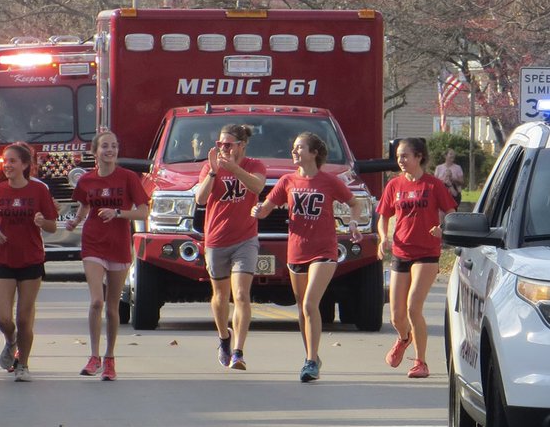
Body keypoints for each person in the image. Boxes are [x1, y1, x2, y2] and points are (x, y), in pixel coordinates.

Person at [253, 132, 365, 383]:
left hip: (324, 250)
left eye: (300, 147)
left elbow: (354, 203)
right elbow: (265, 209)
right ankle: (310, 356)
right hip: (296, 250)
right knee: (303, 309)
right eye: (293, 147)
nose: (294, 152)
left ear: (314, 152)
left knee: (309, 304)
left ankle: (312, 360)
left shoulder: (329, 181)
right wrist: (257, 210)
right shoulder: (287, 181)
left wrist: (354, 223)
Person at [67, 130, 148, 381]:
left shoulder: (128, 178)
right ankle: (93, 356)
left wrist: (119, 213)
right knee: (96, 302)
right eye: (105, 146)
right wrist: (76, 221)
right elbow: (84, 204)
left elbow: (144, 212)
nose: (110, 150)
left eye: (113, 146)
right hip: (93, 243)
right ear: (95, 152)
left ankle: (110, 358)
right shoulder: (86, 181)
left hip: (119, 243)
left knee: (113, 307)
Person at [377, 137, 458, 378]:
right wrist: (383, 238)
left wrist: (443, 228)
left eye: (405, 156)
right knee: (396, 315)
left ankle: (421, 362)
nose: (400, 160)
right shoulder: (394, 185)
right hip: (401, 252)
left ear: (419, 157)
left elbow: (451, 213)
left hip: (427, 253)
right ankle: (403, 338)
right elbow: (383, 215)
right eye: (398, 156)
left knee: (413, 307)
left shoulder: (433, 185)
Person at [0, 142, 58, 382]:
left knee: (24, 318)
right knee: (3, 318)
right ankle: (10, 340)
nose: (8, 166)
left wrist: (41, 221)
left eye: (13, 161)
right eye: (5, 162)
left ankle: (23, 364)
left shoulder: (39, 191)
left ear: (25, 165)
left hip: (31, 259)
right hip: (3, 259)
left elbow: (53, 226)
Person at [194, 123, 266, 370]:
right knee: (220, 296)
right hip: (216, 239)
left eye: (228, 144)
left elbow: (257, 187)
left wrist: (234, 169)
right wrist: (214, 172)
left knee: (242, 295)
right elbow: (200, 199)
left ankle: (238, 351)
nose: (222, 148)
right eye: (220, 144)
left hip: (245, 239)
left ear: (241, 145)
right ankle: (224, 338)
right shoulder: (210, 166)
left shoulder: (254, 165)